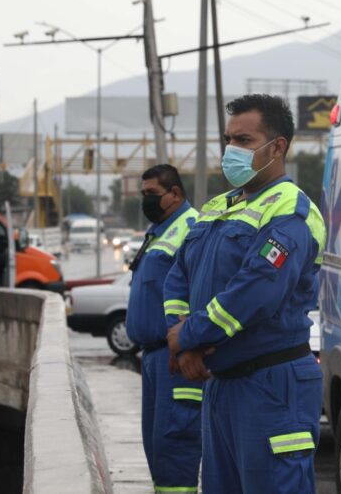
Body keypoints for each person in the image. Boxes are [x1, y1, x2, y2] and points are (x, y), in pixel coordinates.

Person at [165, 94, 325, 493]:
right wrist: (182, 340)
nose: (231, 151)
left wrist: (188, 337)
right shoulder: (219, 207)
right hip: (220, 384)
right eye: (229, 139)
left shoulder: (291, 212)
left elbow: (255, 291)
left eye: (244, 141)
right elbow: (178, 277)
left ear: (278, 147)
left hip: (271, 385)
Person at [123, 164, 203, 493]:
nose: (146, 201)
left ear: (175, 194)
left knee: (176, 448)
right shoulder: (159, 230)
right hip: (154, 359)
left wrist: (184, 342)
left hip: (175, 358)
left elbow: (198, 291)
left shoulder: (191, 227)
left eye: (152, 194)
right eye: (142, 194)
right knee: (157, 450)